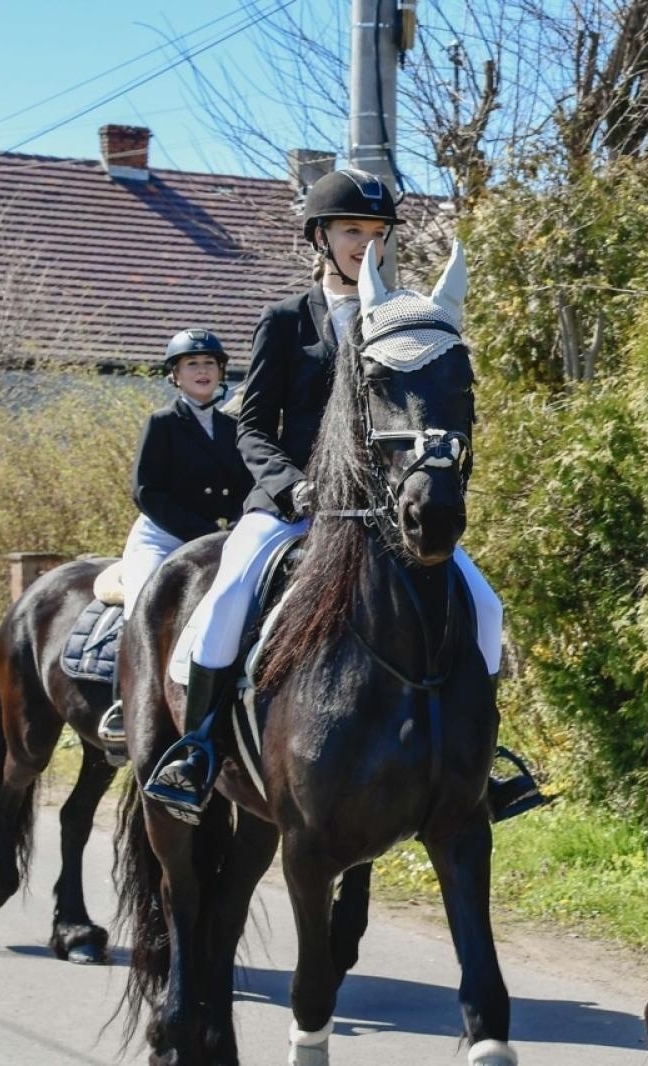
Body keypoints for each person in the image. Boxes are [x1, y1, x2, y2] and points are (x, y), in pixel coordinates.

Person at [142, 168, 533, 823]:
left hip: (382, 513)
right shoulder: (287, 321)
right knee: (228, 594)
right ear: (321, 236)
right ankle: (200, 747)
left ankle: (482, 759)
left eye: (377, 233)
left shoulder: (406, 317)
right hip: (292, 508)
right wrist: (290, 486)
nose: (366, 243)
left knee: (484, 605)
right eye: (353, 230)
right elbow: (254, 425)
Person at [98, 329, 251, 751]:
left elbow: (245, 485)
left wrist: (240, 524)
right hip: (162, 535)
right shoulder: (162, 423)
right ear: (176, 376)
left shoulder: (232, 427)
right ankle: (120, 705)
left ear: (220, 372)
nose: (201, 371)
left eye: (208, 364)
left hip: (217, 537)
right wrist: (205, 534)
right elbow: (146, 491)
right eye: (191, 365)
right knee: (143, 606)